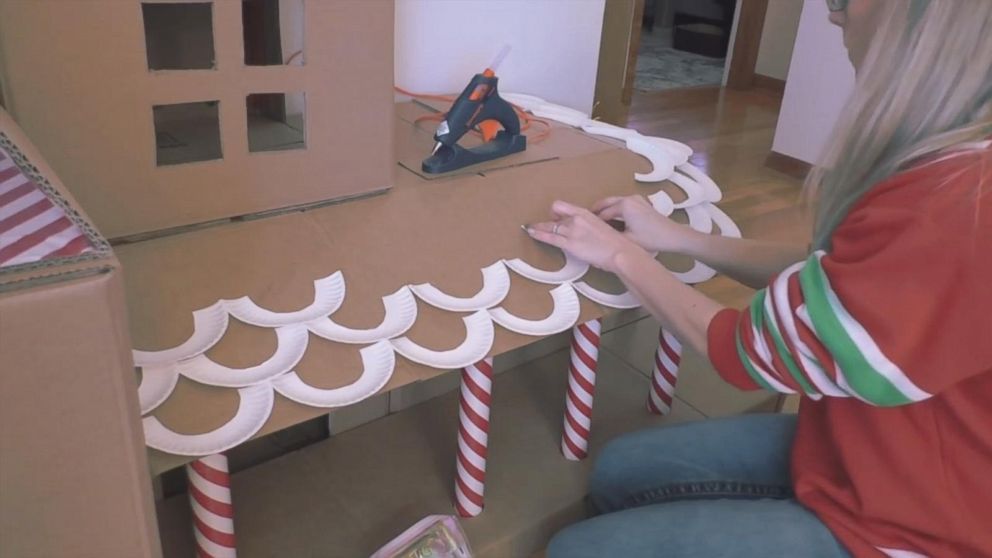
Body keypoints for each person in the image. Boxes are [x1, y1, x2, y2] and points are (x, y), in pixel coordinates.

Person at [528, 1, 992, 556]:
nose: (833, 13)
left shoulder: (958, 205)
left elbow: (749, 352)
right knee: (620, 469)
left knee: (576, 549)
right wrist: (678, 239)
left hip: (915, 527)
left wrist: (623, 256)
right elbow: (832, 278)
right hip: (860, 452)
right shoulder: (946, 166)